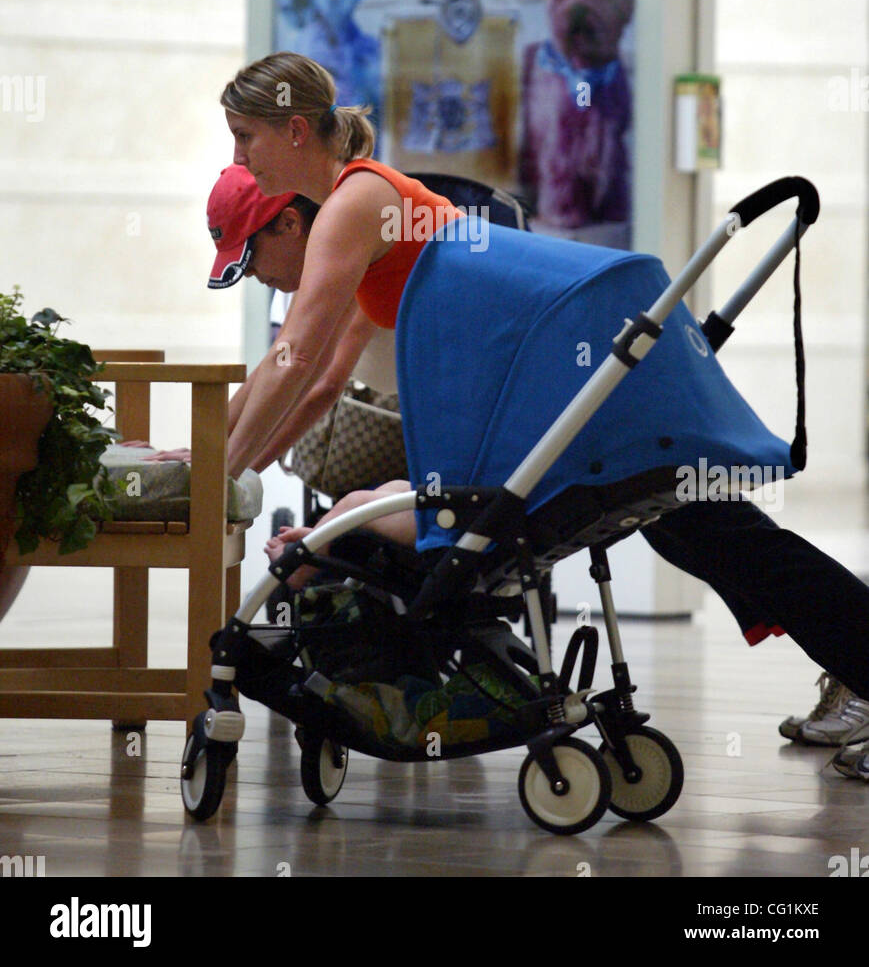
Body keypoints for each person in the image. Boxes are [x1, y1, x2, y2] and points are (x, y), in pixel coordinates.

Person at [216, 50, 869, 779]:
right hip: (571, 391)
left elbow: (294, 358)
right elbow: (305, 374)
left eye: (245, 135)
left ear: (296, 130)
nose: (239, 156)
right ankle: (853, 665)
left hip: (577, 392)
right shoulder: (367, 200)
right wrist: (213, 456)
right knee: (705, 534)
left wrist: (218, 467)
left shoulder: (354, 203)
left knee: (720, 536)